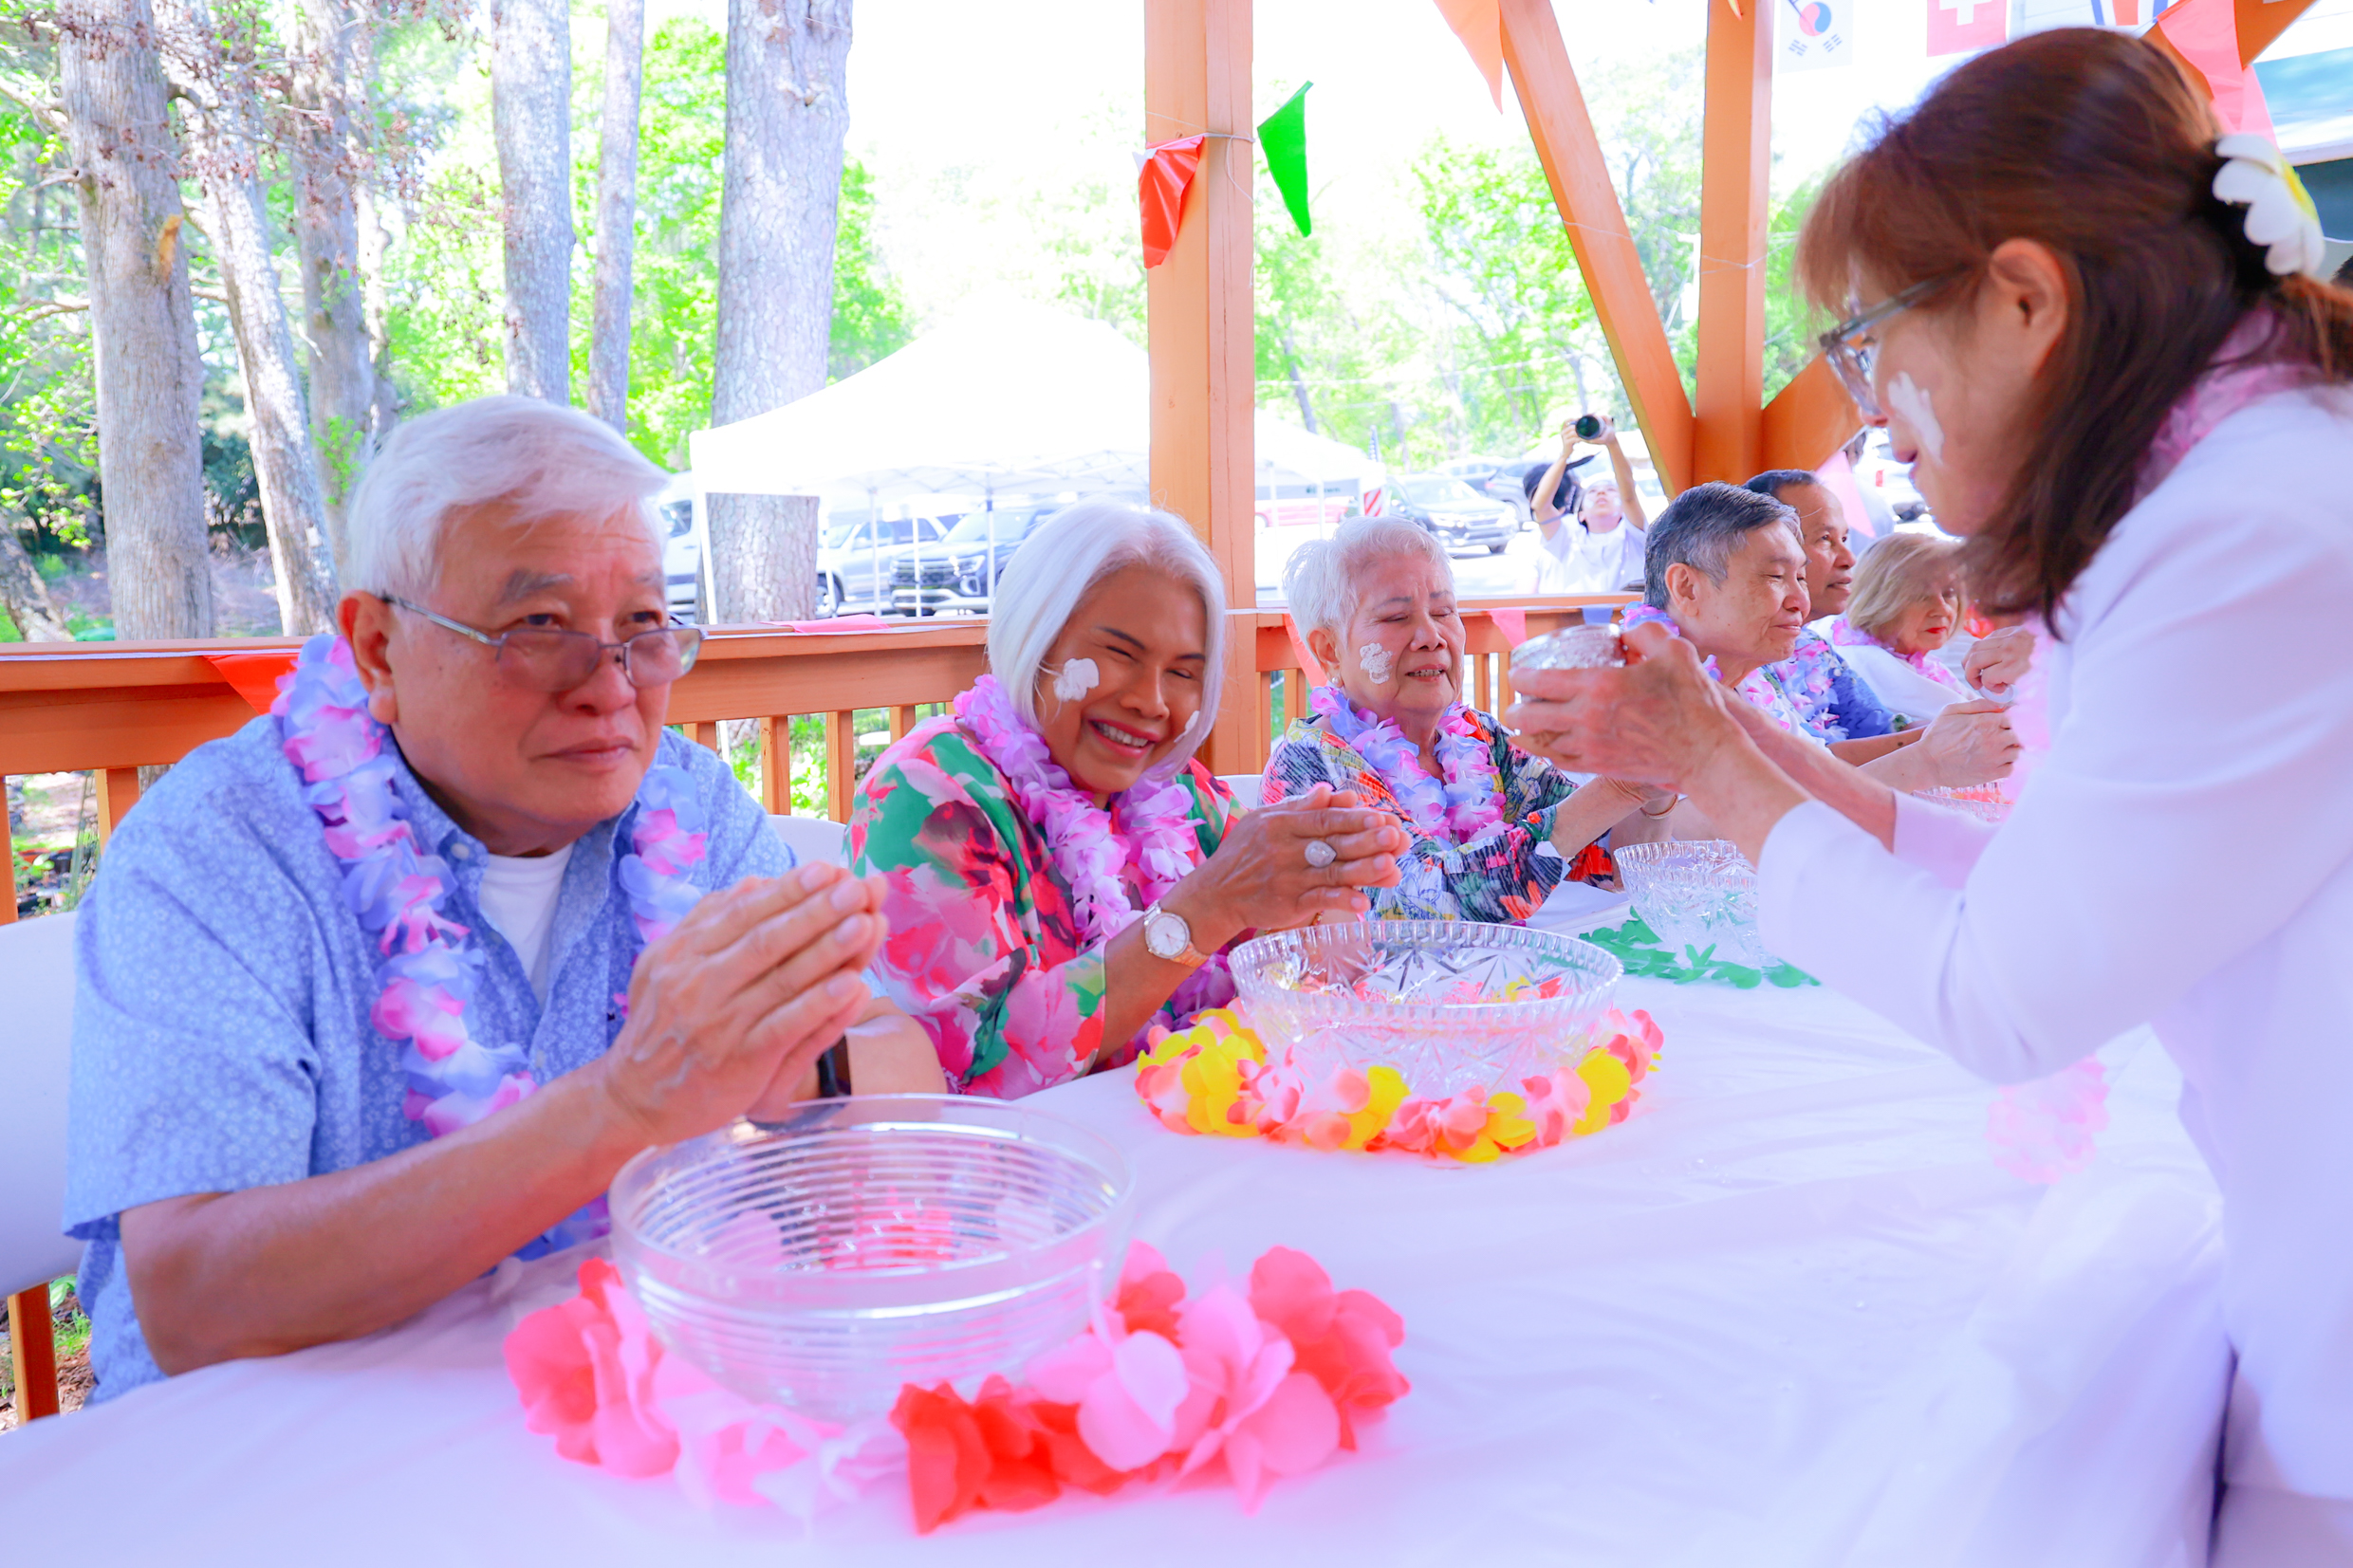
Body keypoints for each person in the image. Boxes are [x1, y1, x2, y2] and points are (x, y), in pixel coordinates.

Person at [1503, 29, 2353, 1561]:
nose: (1866, 409)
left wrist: (1707, 755)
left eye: (1872, 341)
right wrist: (1719, 740)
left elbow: (2007, 991)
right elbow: (2046, 882)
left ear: (2026, 300)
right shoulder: (2246, 485)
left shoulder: (2255, 529)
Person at [62, 397, 944, 1404]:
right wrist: (623, 1104)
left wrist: (800, 1070)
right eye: (539, 625)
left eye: (643, 625)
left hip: (585, 1423)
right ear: (379, 650)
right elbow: (194, 1299)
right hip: (257, 1466)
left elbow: (898, 1064)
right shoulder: (218, 846)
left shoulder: (687, 802)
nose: (609, 684)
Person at [852, 499, 1408, 1099]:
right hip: (1013, 1176)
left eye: (1183, 672)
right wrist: (1203, 910)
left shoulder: (1180, 790)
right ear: (1037, 635)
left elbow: (1280, 985)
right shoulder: (924, 794)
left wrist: (1320, 908)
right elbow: (969, 1064)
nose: (1153, 701)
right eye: (1120, 655)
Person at [1265, 518, 1671, 922]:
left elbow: (1615, 859)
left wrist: (1655, 776)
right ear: (1330, 649)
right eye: (1396, 618)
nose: (1431, 636)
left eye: (1443, 612)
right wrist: (1617, 789)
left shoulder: (1479, 737)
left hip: (1499, 981)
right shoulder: (1309, 767)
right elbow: (1430, 903)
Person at [1629, 482, 2015, 792]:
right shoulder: (1639, 691)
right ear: (1688, 588)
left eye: (1800, 576)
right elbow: (1722, 835)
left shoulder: (1747, 681)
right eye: (1776, 576)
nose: (1801, 600)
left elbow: (1821, 768)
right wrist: (1926, 761)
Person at [1742, 467, 1898, 743]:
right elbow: (1807, 764)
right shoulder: (1731, 657)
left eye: (1845, 539)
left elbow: (1884, 727)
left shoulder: (1812, 645)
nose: (1849, 558)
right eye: (1825, 539)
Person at [1826, 533, 1980, 725]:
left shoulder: (1919, 662)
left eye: (1949, 593)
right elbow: (1979, 724)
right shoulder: (1869, 661)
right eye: (1920, 595)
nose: (1942, 609)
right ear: (1880, 599)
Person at [1518, 415, 1646, 595]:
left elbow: (1629, 496)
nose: (1601, 493)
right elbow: (1540, 506)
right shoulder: (1567, 535)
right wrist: (1565, 454)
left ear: (1623, 510)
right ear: (1581, 514)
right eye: (1592, 492)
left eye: (1610, 490)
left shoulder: (1635, 534)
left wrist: (1612, 442)